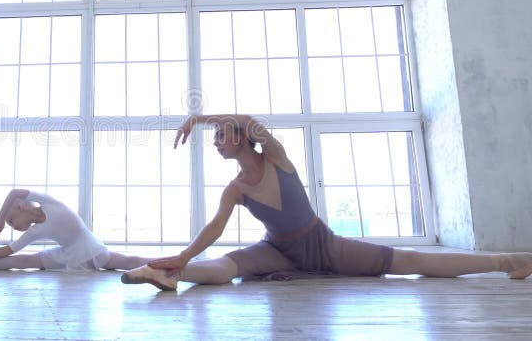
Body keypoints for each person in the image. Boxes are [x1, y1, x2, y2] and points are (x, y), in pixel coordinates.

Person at [121, 114, 532, 291]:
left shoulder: (276, 156)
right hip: (276, 251)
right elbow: (215, 228)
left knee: (410, 262)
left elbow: (246, 119)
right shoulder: (235, 189)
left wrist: (200, 119)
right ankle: (168, 273)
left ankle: (505, 261)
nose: (215, 144)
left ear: (241, 138)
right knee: (226, 267)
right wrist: (183, 255)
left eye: (220, 136)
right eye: (213, 139)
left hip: (323, 243)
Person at [0, 189, 152, 272]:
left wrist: (1, 218)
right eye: (12, 225)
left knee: (128, 262)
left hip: (90, 248)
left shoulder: (49, 203)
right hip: (67, 253)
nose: (15, 227)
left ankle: (174, 263)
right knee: (22, 262)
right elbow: (7, 252)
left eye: (13, 222)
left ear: (22, 206)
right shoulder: (34, 232)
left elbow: (15, 192)